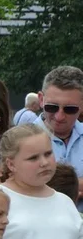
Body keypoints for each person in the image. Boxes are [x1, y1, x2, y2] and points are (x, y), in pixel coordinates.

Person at [34, 66, 83, 207]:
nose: (59, 116)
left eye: (70, 109)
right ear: (41, 99)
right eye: (52, 107)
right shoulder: (19, 139)